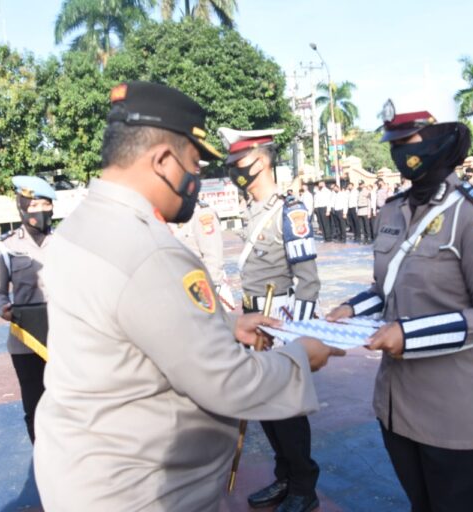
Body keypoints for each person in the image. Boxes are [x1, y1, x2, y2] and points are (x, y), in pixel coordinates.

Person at [33, 81, 344, 511]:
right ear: (162, 160)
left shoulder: (80, 226)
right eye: (194, 163)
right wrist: (301, 358)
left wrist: (226, 324)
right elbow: (227, 381)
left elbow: (139, 322)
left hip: (86, 474)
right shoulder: (149, 250)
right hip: (143, 491)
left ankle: (298, 482)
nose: (198, 178)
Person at [328, 102, 473, 512]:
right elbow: (387, 288)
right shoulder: (393, 208)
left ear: (437, 140)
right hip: (396, 406)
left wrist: (406, 335)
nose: (397, 153)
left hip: (456, 413)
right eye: (392, 144)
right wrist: (351, 310)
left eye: (405, 142)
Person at [219, 126, 323, 512]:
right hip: (251, 315)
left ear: (260, 160)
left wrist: (295, 337)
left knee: (287, 410)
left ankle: (303, 486)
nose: (233, 169)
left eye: (237, 161)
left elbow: (308, 282)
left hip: (280, 318)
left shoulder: (289, 210)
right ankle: (284, 477)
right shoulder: (250, 209)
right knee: (263, 405)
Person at [0, 175, 56, 443]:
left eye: (46, 205)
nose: (42, 211)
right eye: (36, 205)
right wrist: (3, 309)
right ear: (23, 207)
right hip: (26, 339)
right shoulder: (5, 246)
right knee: (36, 406)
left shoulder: (65, 242)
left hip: (65, 335)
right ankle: (43, 459)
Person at [168, 200, 235, 311]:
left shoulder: (201, 213)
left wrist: (208, 292)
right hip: (182, 291)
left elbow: (213, 258)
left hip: (203, 292)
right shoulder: (171, 214)